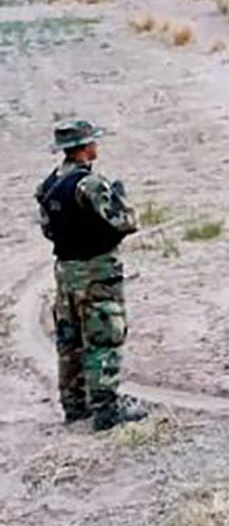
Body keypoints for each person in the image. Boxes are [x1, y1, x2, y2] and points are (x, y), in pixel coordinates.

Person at [34, 119, 146, 430]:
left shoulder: (47, 186)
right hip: (97, 272)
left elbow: (48, 230)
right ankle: (106, 409)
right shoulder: (91, 185)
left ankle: (74, 406)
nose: (96, 145)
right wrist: (120, 198)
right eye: (93, 141)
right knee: (103, 338)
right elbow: (125, 222)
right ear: (84, 148)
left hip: (65, 273)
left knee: (69, 341)